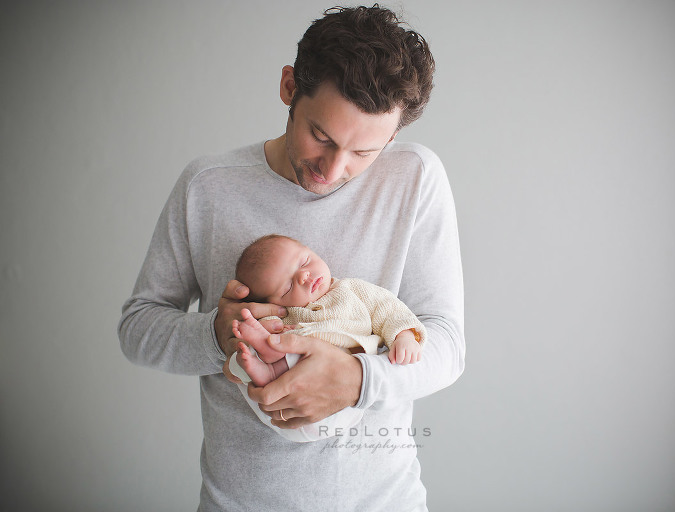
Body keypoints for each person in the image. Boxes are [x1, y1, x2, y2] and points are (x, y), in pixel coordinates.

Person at [118, 5, 464, 511]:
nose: (333, 169)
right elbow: (138, 330)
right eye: (320, 136)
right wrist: (217, 334)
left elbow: (447, 344)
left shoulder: (415, 177)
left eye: (364, 152)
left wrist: (358, 382)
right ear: (287, 88)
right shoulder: (209, 186)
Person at [228, 234, 426, 442]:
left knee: (274, 350)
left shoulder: (351, 290)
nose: (304, 276)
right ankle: (263, 367)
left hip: (343, 373)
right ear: (272, 302)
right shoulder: (283, 313)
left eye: (305, 262)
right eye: (287, 288)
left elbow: (387, 308)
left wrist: (403, 335)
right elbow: (264, 328)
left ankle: (264, 361)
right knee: (262, 350)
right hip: (286, 397)